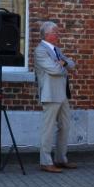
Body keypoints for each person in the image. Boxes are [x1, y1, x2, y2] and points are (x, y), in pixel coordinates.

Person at [34, 21, 76, 173]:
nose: (58, 34)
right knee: (48, 128)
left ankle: (60, 159)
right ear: (47, 34)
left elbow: (71, 64)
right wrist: (63, 66)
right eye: (55, 32)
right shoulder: (40, 50)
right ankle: (45, 162)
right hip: (50, 94)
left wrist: (63, 63)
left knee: (65, 126)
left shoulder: (56, 49)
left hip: (63, 94)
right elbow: (54, 69)